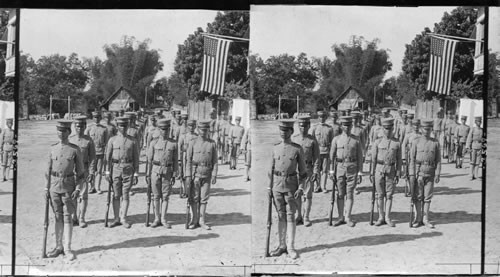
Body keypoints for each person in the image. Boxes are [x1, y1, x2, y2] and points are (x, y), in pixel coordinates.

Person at [45, 120, 85, 261]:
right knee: (57, 216)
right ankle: (58, 246)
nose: (61, 134)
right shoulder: (52, 148)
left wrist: (79, 188)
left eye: (64, 131)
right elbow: (48, 171)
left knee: (68, 217)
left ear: (69, 132)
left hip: (69, 186)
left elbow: (80, 173)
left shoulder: (75, 149)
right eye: (59, 130)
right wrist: (46, 188)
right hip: (54, 187)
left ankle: (67, 248)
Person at [268, 119, 306, 259]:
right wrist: (269, 187)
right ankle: (281, 245)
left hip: (291, 186)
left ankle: (290, 247)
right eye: (281, 130)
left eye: (286, 130)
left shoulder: (297, 149)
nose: (283, 133)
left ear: (291, 131)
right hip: (277, 186)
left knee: (290, 216)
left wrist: (301, 187)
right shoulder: (275, 148)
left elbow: (303, 173)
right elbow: (270, 170)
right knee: (280, 216)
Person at [105, 117, 140, 228]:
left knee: (125, 195)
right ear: (117, 127)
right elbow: (108, 157)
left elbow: (136, 158)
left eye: (125, 126)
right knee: (116, 195)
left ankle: (123, 218)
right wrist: (107, 171)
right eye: (121, 126)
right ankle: (116, 218)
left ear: (128, 126)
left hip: (128, 169)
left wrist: (136, 173)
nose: (123, 128)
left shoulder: (133, 140)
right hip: (115, 169)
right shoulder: (112, 140)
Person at [329, 116, 363, 227]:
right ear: (341, 126)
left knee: (349, 193)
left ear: (351, 126)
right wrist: (331, 171)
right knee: (340, 193)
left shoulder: (356, 140)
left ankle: (348, 217)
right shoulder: (336, 139)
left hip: (352, 168)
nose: (346, 127)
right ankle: (340, 217)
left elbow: (360, 157)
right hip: (339, 168)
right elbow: (332, 156)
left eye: (348, 125)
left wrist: (359, 172)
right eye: (344, 125)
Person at [146, 119, 179, 228]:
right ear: (159, 130)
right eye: (162, 129)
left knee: (165, 197)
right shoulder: (153, 143)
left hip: (167, 172)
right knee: (156, 196)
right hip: (155, 171)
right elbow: (149, 160)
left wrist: (174, 173)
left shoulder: (173, 143)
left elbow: (175, 160)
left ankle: (163, 218)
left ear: (169, 129)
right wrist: (147, 174)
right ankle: (156, 218)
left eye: (166, 129)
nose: (164, 131)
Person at [185, 120, 218, 230]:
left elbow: (215, 161)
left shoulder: (212, 143)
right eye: (201, 130)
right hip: (195, 174)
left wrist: (214, 174)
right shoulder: (192, 143)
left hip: (207, 174)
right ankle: (194, 220)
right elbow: (188, 160)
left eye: (205, 130)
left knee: (204, 198)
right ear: (197, 130)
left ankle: (202, 220)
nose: (203, 132)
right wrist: (188, 175)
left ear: (208, 130)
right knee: (194, 198)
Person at [409, 119, 441, 228]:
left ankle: (425, 218)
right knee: (418, 197)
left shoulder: (435, 143)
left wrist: (437, 173)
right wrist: (412, 174)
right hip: (419, 172)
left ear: (431, 129)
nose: (427, 131)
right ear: (421, 129)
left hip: (430, 173)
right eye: (425, 129)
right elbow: (412, 159)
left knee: (427, 197)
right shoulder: (416, 141)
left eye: (429, 129)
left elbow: (438, 160)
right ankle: (418, 218)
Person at [370, 118, 401, 227]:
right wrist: (371, 173)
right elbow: (373, 159)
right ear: (382, 129)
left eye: (389, 128)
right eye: (385, 128)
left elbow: (399, 159)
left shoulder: (396, 143)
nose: (387, 131)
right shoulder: (377, 142)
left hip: (391, 170)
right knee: (379, 195)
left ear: (393, 128)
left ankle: (387, 217)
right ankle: (380, 217)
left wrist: (398, 173)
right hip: (379, 170)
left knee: (389, 195)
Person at [292, 116, 319, 227]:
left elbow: (317, 157)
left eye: (305, 126)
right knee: (297, 194)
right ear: (298, 126)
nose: (303, 128)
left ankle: (306, 216)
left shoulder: (312, 140)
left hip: (308, 170)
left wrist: (316, 172)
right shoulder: (294, 139)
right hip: (296, 170)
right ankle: (299, 216)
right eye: (301, 125)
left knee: (308, 195)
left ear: (309, 126)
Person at [70, 116, 96, 228]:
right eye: (77, 126)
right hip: (72, 171)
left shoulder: (89, 140)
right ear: (74, 127)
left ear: (85, 127)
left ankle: (82, 218)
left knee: (83, 196)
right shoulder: (70, 139)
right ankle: (74, 217)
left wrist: (91, 172)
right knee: (73, 195)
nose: (79, 128)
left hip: (84, 171)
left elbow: (93, 158)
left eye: (81, 126)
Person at [85, 111, 108, 194]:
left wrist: (106, 153)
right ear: (92, 118)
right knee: (91, 170)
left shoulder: (104, 129)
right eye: (95, 117)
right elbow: (86, 141)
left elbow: (106, 142)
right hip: (91, 153)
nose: (96, 119)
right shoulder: (89, 128)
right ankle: (91, 187)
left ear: (100, 118)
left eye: (98, 117)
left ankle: (98, 187)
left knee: (99, 171)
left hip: (100, 152)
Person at [310, 111, 333, 193]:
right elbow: (311, 141)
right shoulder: (314, 128)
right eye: (320, 117)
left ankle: (323, 186)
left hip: (326, 151)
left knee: (325, 170)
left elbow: (332, 141)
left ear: (326, 118)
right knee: (316, 170)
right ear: (318, 117)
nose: (322, 118)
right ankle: (318, 186)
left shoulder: (329, 128)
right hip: (317, 151)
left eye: (323, 117)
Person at [178, 119, 198, 198]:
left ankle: (191, 190)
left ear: (195, 126)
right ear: (187, 126)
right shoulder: (183, 136)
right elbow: (179, 148)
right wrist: (179, 160)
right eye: (190, 126)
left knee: (192, 174)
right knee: (183, 175)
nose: (191, 127)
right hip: (184, 158)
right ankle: (184, 190)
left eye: (193, 126)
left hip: (194, 158)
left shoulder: (197, 137)